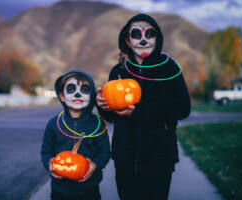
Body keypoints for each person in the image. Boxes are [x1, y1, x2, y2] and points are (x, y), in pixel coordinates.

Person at [96, 13, 191, 200]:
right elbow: (113, 116)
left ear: (157, 38)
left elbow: (182, 107)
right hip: (125, 156)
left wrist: (141, 111)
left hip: (159, 155)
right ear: (128, 40)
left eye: (149, 34)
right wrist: (103, 106)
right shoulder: (119, 71)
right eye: (136, 35)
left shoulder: (169, 68)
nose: (143, 40)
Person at [41, 70, 111, 200]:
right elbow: (46, 152)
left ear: (92, 96)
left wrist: (95, 164)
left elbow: (105, 152)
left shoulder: (98, 124)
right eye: (71, 89)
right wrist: (49, 165)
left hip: (90, 189)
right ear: (62, 96)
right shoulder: (54, 124)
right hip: (59, 190)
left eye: (84, 89)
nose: (78, 94)